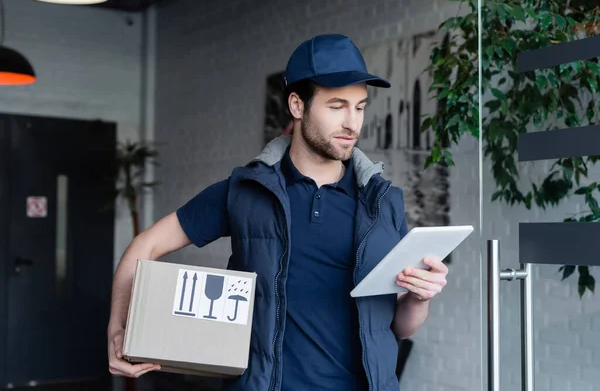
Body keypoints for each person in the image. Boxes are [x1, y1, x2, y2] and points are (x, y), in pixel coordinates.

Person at [107, 33, 449, 391]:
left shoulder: (383, 202)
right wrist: (117, 328)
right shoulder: (246, 191)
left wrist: (418, 297)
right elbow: (145, 245)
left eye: (360, 107)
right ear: (297, 106)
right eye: (336, 106)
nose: (353, 123)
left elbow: (398, 326)